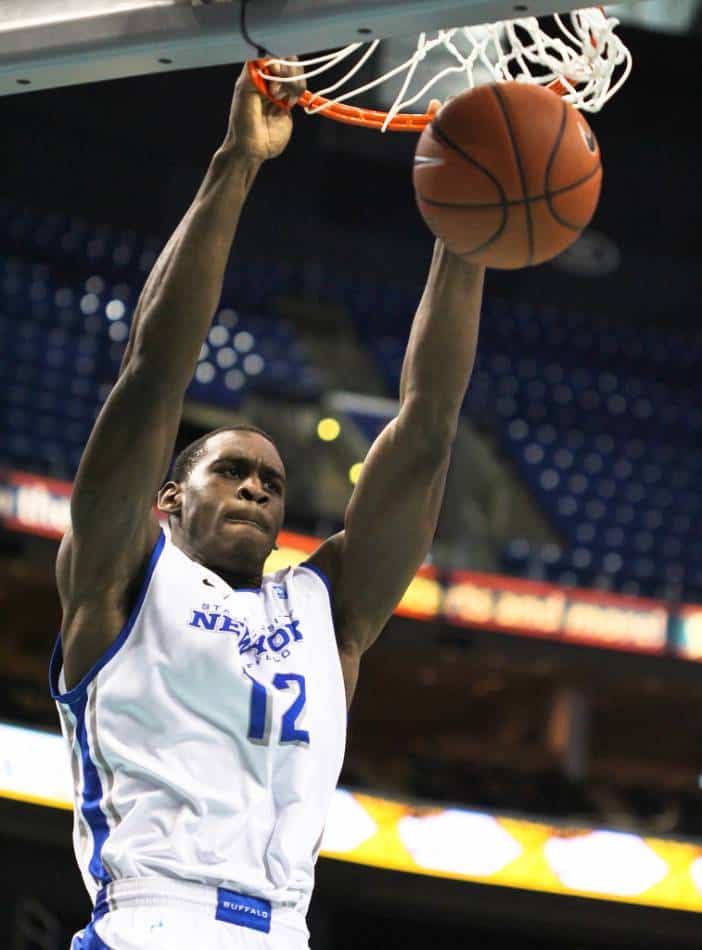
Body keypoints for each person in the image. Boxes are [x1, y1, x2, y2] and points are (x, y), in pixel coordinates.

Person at [49, 58, 485, 950]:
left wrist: (467, 232)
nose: (257, 485)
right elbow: (153, 372)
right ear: (168, 497)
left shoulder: (325, 609)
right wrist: (235, 163)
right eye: (232, 471)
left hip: (285, 929)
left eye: (274, 483)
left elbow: (427, 428)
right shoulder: (123, 573)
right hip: (150, 919)